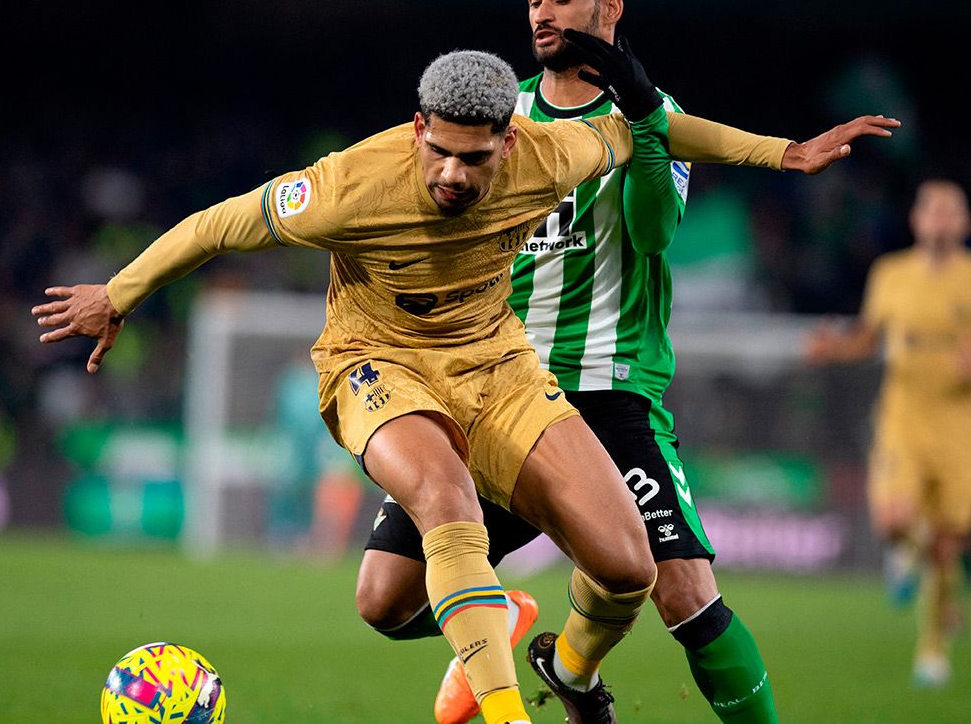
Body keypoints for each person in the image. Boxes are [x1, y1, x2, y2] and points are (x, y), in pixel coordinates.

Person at [37, 43, 696, 724]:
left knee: (622, 567)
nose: (453, 172)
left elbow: (654, 131)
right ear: (418, 128)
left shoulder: (550, 155)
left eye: (474, 157)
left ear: (508, 141)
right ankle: (507, 714)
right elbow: (216, 225)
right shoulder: (348, 187)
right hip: (378, 361)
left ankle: (555, 664)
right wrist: (118, 293)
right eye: (439, 150)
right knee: (447, 501)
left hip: (491, 364)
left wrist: (777, 150)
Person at [352, 0, 900, 723]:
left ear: (609, 4)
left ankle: (571, 668)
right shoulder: (498, 116)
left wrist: (646, 124)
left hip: (608, 394)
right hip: (494, 388)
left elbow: (648, 233)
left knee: (685, 593)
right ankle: (507, 617)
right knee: (384, 598)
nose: (542, 13)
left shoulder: (656, 113)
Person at [804, 178, 971, 687]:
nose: (942, 218)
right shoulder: (890, 275)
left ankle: (932, 649)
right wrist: (832, 348)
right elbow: (867, 337)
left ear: (967, 223)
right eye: (933, 209)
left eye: (953, 210)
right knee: (890, 521)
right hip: (904, 419)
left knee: (950, 546)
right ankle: (907, 552)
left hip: (961, 428)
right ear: (917, 220)